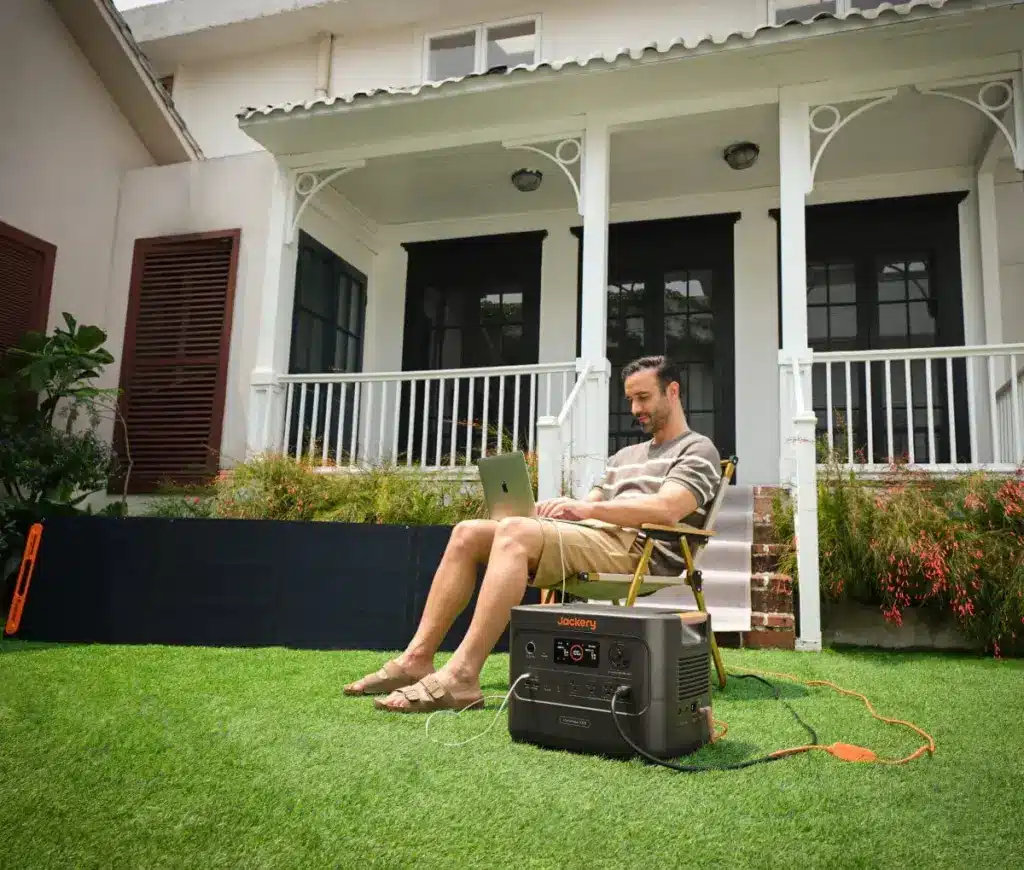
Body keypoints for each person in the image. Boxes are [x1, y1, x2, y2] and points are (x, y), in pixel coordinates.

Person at [343, 355, 722, 712]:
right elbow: (589, 502)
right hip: (594, 537)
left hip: (639, 550)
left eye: (644, 398)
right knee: (468, 532)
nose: (636, 409)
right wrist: (559, 508)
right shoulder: (623, 458)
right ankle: (416, 660)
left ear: (672, 392)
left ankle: (461, 677)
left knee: (516, 534)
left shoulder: (697, 449)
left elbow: (667, 508)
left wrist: (587, 510)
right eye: (631, 400)